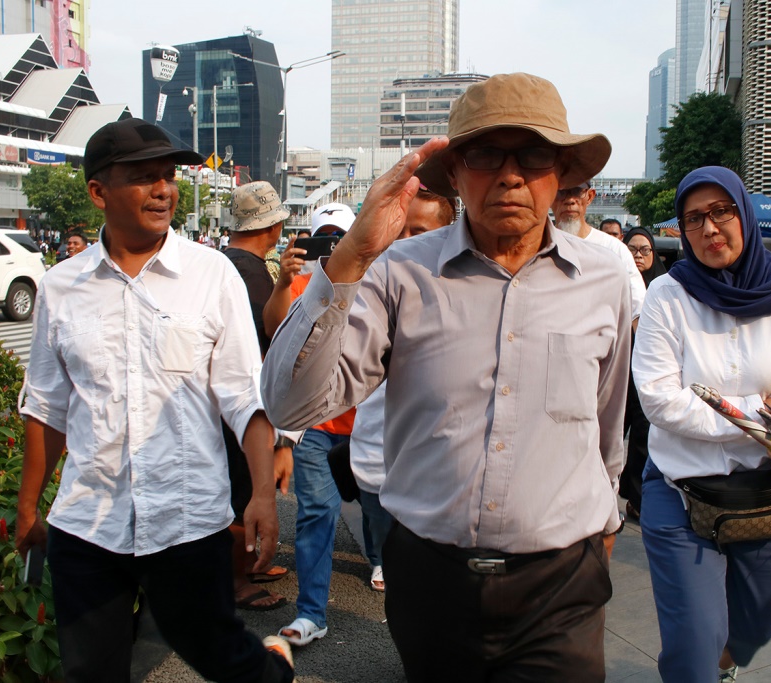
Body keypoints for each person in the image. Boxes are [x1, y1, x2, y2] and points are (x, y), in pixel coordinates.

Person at [262, 72, 629, 680]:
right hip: (431, 576)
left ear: (560, 172)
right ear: (455, 173)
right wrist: (351, 253)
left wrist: (607, 519)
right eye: (486, 155)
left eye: (533, 154)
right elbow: (288, 405)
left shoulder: (604, 278)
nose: (510, 175)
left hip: (561, 583)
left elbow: (608, 417)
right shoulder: (396, 272)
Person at [14, 118, 294, 681]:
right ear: (99, 192)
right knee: (91, 673)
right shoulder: (62, 286)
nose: (164, 189)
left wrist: (262, 493)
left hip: (186, 523)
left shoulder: (211, 274)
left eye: (167, 176)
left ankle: (274, 670)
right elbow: (46, 406)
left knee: (221, 656)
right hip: (89, 525)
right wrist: (28, 508)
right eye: (144, 178)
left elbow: (244, 394)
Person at [633, 166, 771, 683]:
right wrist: (765, 410)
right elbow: (660, 401)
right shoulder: (668, 296)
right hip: (681, 492)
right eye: (694, 219)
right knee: (692, 651)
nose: (710, 229)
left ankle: (726, 662)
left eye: (721, 212)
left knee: (755, 625)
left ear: (745, 214)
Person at [347, 188, 456, 592]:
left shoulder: (467, 293)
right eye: (401, 228)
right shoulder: (371, 284)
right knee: (384, 538)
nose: (408, 239)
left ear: (447, 233)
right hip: (376, 451)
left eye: (421, 229)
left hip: (444, 470)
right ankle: (379, 561)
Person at [269, 201, 358, 647]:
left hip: (371, 429)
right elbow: (277, 340)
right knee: (317, 512)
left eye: (341, 234)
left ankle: (379, 559)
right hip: (316, 428)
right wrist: (285, 280)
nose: (334, 244)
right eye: (325, 235)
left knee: (383, 514)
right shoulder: (305, 283)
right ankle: (311, 612)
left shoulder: (379, 279)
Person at [222, 181, 297, 611]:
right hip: (247, 400)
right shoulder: (252, 273)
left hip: (221, 399)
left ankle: (249, 564)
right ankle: (239, 579)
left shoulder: (221, 262)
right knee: (245, 489)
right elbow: (274, 342)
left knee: (239, 487)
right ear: (273, 226)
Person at [619, 227, 668, 522]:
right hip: (618, 373)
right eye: (632, 249)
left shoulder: (663, 287)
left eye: (644, 250)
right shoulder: (616, 282)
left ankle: (637, 497)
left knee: (642, 435)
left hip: (647, 376)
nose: (637, 255)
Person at [551, 180, 645, 325]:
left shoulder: (613, 249)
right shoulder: (537, 247)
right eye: (561, 192)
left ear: (589, 196)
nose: (569, 200)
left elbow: (637, 305)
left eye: (577, 192)